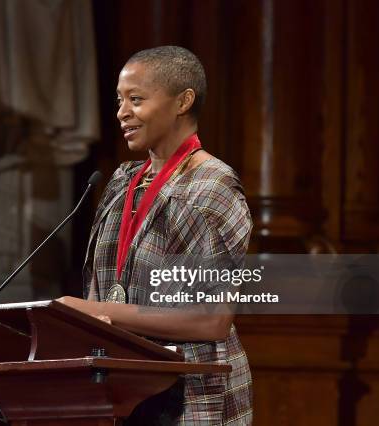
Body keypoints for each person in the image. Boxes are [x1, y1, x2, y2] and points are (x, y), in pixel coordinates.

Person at [57, 46, 253, 425]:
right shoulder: (121, 182)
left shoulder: (211, 187)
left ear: (183, 101)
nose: (122, 113)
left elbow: (211, 320)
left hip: (192, 394)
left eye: (136, 99)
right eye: (119, 101)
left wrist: (99, 312)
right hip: (124, 388)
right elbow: (102, 287)